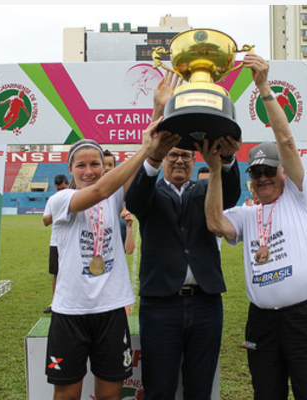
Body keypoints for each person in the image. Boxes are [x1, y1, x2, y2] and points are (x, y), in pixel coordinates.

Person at [203, 54, 307, 400]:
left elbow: (287, 142)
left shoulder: (299, 197)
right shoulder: (247, 215)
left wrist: (263, 86)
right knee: (266, 394)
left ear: (283, 173)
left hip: (305, 315)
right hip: (261, 321)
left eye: (269, 171)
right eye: (256, 173)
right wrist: (215, 170)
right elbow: (215, 222)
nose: (262, 178)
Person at [125, 71, 242, 399]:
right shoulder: (149, 191)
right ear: (164, 159)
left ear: (194, 160)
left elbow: (231, 196)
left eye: (185, 156)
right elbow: (134, 200)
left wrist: (227, 159)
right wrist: (154, 152)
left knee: (200, 388)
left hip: (206, 303)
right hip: (161, 304)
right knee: (159, 388)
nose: (179, 160)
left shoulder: (205, 190)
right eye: (173, 155)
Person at [45, 119, 166, 400]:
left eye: (95, 164)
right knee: (66, 395)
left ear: (105, 166)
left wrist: (158, 113)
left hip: (111, 310)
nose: (89, 171)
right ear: (70, 169)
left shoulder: (115, 196)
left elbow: (134, 174)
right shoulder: (61, 199)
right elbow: (99, 191)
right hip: (70, 311)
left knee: (111, 395)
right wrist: (144, 148)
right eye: (81, 165)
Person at [42, 174, 71, 314]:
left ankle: (73, 301)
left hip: (72, 241)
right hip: (56, 242)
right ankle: (55, 303)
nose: (61, 192)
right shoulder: (53, 199)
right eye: (59, 189)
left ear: (68, 184)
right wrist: (58, 212)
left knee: (75, 271)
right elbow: (45, 221)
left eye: (63, 188)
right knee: (56, 273)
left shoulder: (75, 196)